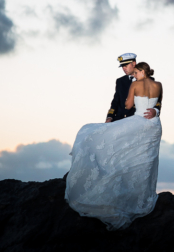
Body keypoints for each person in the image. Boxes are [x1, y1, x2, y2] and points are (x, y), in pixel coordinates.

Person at [65, 62, 163, 230]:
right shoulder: (158, 84)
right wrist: (155, 111)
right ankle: (140, 199)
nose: (132, 73)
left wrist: (136, 101)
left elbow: (127, 106)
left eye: (135, 71)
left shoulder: (135, 83)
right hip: (154, 125)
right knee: (145, 161)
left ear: (138, 69)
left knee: (96, 136)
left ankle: (119, 191)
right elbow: (158, 103)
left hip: (138, 121)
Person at [106, 53, 161, 122]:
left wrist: (155, 111)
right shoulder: (120, 81)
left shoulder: (149, 80)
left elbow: (157, 100)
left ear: (133, 63)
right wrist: (110, 116)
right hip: (120, 119)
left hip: (138, 120)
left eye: (126, 65)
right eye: (122, 66)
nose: (123, 68)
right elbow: (115, 101)